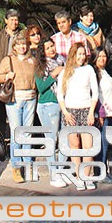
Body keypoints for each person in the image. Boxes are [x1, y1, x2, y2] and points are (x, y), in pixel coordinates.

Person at [0, 30, 37, 184]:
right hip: (14, 99)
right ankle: (16, 167)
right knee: (16, 133)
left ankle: (28, 165)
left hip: (30, 98)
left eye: (24, 44)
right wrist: (6, 76)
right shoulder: (8, 60)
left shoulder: (32, 60)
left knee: (27, 133)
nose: (22, 47)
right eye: (18, 44)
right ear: (14, 46)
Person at [57, 42, 99, 189]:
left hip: (86, 110)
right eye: (79, 54)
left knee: (88, 146)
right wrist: (65, 112)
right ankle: (79, 176)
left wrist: (91, 112)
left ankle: (87, 175)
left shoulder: (89, 70)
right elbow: (60, 95)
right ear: (73, 55)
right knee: (75, 145)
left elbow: (95, 92)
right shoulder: (65, 72)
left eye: (83, 54)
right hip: (71, 112)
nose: (81, 57)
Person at [35, 37, 67, 188]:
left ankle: (60, 170)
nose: (51, 49)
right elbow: (41, 87)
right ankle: (54, 175)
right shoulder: (40, 66)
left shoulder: (62, 61)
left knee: (65, 138)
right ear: (43, 51)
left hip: (63, 103)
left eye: (52, 46)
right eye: (47, 48)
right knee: (51, 140)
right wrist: (53, 74)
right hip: (48, 105)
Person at [0, 8, 21, 139]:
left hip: (17, 76)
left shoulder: (22, 35)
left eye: (16, 20)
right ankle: (1, 139)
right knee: (0, 110)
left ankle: (17, 138)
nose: (14, 22)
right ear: (6, 21)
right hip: (1, 76)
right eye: (11, 20)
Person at [93, 48, 112, 182]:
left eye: (104, 56)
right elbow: (95, 95)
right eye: (99, 56)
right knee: (103, 144)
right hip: (102, 113)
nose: (102, 59)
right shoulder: (94, 73)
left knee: (106, 143)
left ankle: (102, 171)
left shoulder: (105, 72)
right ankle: (100, 173)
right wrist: (99, 114)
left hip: (111, 112)